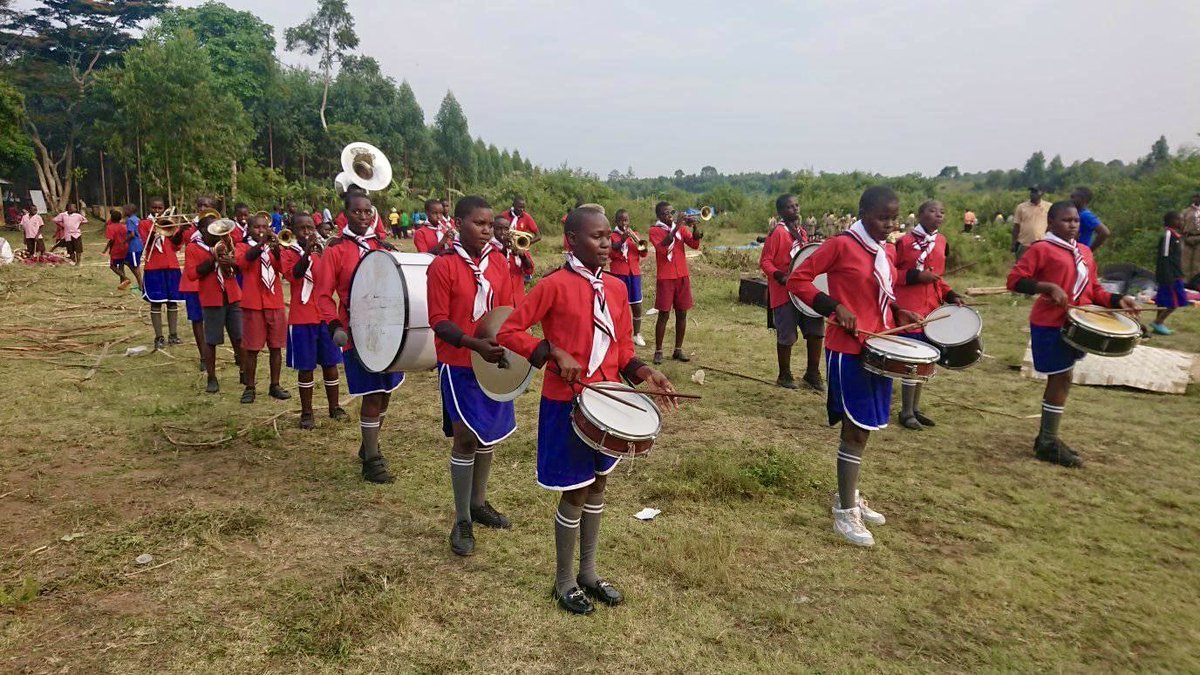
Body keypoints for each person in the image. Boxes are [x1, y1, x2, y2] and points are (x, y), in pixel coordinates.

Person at [498, 206, 677, 615]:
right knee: (575, 489)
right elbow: (511, 331)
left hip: (608, 402)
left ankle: (589, 573)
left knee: (598, 485)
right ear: (572, 241)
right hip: (566, 402)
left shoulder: (615, 289)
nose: (607, 243)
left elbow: (623, 352)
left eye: (608, 236)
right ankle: (563, 581)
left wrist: (647, 372)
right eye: (597, 237)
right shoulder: (553, 285)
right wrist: (551, 350)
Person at [788, 186, 922, 547]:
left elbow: (880, 296)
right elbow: (797, 280)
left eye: (894, 217)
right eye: (882, 217)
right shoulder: (841, 245)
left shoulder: (886, 250)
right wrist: (833, 307)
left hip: (879, 346)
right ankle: (845, 510)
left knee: (867, 427)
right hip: (848, 350)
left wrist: (897, 312)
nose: (890, 224)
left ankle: (850, 494)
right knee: (855, 429)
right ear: (862, 212)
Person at [1006, 201, 1138, 467]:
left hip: (1078, 321)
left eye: (1076, 220)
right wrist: (1047, 287)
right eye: (1066, 220)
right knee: (1061, 377)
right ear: (1051, 223)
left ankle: (1047, 438)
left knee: (1063, 378)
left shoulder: (1085, 253)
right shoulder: (1041, 249)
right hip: (1050, 322)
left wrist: (1118, 299)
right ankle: (1048, 442)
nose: (1073, 224)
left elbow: (1094, 291)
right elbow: (1015, 281)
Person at [427, 196, 518, 556]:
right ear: (459, 223)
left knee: (488, 434)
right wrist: (473, 345)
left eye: (489, 224)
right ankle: (462, 518)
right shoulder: (443, 266)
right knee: (465, 438)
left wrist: (513, 352)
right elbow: (439, 321)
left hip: (491, 360)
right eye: (478, 224)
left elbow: (509, 312)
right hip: (458, 361)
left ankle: (479, 503)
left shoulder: (498, 263)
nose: (486, 230)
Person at [316, 191, 404, 484]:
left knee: (386, 392)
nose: (364, 216)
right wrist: (334, 326)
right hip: (357, 332)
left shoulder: (382, 246)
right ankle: (372, 461)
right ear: (345, 214)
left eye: (368, 211)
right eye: (357, 212)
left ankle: (369, 444)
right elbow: (323, 295)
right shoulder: (336, 250)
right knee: (371, 394)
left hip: (388, 329)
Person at [893, 200, 964, 430]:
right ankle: (905, 411)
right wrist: (915, 276)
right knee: (911, 359)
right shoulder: (903, 242)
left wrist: (951, 295)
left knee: (924, 358)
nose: (938, 215)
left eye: (942, 212)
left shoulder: (942, 242)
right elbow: (891, 273)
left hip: (931, 309)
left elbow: (938, 278)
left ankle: (914, 408)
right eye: (932, 211)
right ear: (920, 214)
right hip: (909, 309)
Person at [282, 214, 347, 429]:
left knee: (331, 364)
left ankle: (334, 406)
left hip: (324, 316)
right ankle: (307, 412)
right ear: (292, 229)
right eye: (302, 228)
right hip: (301, 318)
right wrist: (306, 254)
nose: (307, 232)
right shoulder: (289, 252)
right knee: (306, 367)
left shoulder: (323, 252)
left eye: (310, 227)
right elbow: (294, 275)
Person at [760, 194, 825, 391]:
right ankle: (784, 374)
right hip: (784, 291)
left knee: (816, 331)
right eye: (789, 207)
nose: (795, 209)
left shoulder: (802, 232)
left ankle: (812, 373)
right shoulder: (778, 233)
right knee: (787, 335)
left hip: (804, 291)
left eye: (796, 205)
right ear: (781, 212)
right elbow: (765, 261)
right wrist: (779, 275)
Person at [185, 216, 246, 394]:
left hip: (233, 294)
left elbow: (241, 267)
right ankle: (212, 377)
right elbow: (192, 274)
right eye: (212, 229)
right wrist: (213, 258)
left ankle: (244, 371)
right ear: (203, 230)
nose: (218, 233)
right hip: (212, 298)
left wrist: (232, 261)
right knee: (211, 340)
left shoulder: (227, 242)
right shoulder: (193, 247)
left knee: (240, 337)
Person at [236, 214, 291, 404]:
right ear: (249, 229)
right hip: (253, 303)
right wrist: (261, 245)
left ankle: (275, 385)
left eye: (264, 227)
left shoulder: (274, 247)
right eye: (257, 228)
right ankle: (250, 387)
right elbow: (243, 262)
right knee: (252, 348)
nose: (261, 231)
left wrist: (276, 249)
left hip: (274, 302)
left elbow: (283, 269)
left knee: (276, 347)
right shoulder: (242, 245)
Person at [649, 201, 702, 364]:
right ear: (659, 216)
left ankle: (678, 350)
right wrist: (678, 225)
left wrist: (695, 228)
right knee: (664, 314)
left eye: (671, 212)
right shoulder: (655, 230)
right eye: (666, 213)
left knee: (682, 313)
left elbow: (694, 243)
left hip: (682, 275)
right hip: (666, 277)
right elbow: (663, 245)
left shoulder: (679, 229)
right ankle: (658, 351)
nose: (669, 215)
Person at [138, 198, 184, 350]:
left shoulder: (170, 222)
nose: (157, 211)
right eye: (154, 208)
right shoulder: (144, 223)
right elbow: (147, 242)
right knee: (156, 303)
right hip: (154, 267)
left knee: (172, 302)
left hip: (172, 265)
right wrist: (157, 228)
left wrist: (181, 230)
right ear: (149, 208)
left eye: (160, 208)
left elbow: (176, 245)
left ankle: (173, 335)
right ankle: (159, 337)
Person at [179, 198, 219, 371]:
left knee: (218, 318)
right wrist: (179, 231)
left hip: (215, 281)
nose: (203, 209)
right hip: (193, 282)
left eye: (207, 206)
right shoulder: (190, 229)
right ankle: (203, 355)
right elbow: (175, 244)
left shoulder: (220, 228)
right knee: (197, 319)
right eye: (200, 206)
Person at [609, 208, 646, 346]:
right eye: (621, 220)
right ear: (616, 221)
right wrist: (622, 240)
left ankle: (637, 334)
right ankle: (618, 334)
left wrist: (637, 242)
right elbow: (611, 253)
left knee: (637, 304)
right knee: (618, 305)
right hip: (619, 273)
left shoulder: (634, 234)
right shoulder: (612, 235)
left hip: (634, 272)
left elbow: (643, 253)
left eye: (626, 220)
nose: (624, 222)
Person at [1151, 211, 1187, 335]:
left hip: (1176, 273)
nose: (1182, 222)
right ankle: (1158, 321)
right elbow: (1164, 257)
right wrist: (1167, 276)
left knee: (1164, 300)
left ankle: (1159, 324)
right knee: (1175, 300)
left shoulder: (1176, 236)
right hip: (1170, 275)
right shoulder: (1168, 235)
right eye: (1179, 220)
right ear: (1171, 221)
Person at [492, 214, 533, 303]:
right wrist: (504, 248)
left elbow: (529, 270)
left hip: (518, 299)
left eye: (506, 229)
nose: (503, 232)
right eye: (499, 229)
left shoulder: (515, 244)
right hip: (500, 301)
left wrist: (522, 256)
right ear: (492, 230)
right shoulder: (490, 248)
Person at [1012, 186, 1050, 260]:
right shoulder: (1021, 207)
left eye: (1035, 192)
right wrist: (1013, 243)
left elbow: (1053, 224)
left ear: (1042, 193)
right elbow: (1016, 226)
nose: (1032, 194)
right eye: (1032, 191)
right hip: (1025, 244)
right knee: (1022, 268)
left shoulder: (1048, 207)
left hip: (1042, 244)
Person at [103, 209, 132, 289]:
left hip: (116, 248)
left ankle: (126, 278)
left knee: (112, 266)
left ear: (111, 218)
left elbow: (111, 240)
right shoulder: (124, 226)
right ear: (120, 218)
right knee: (121, 266)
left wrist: (109, 249)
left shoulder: (110, 227)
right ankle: (122, 284)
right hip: (125, 247)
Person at [122, 204, 145, 290]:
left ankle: (141, 285)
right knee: (128, 262)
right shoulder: (137, 219)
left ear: (129, 211)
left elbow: (132, 234)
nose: (123, 212)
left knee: (136, 266)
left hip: (134, 247)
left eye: (124, 210)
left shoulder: (130, 220)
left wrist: (124, 241)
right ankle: (140, 283)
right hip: (139, 244)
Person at [1181, 193, 1200, 279]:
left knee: (1197, 263)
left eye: (1198, 197)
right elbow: (1180, 225)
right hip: (1188, 238)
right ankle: (1185, 282)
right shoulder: (1186, 211)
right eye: (1194, 197)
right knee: (1185, 263)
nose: (1196, 199)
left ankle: (1196, 282)